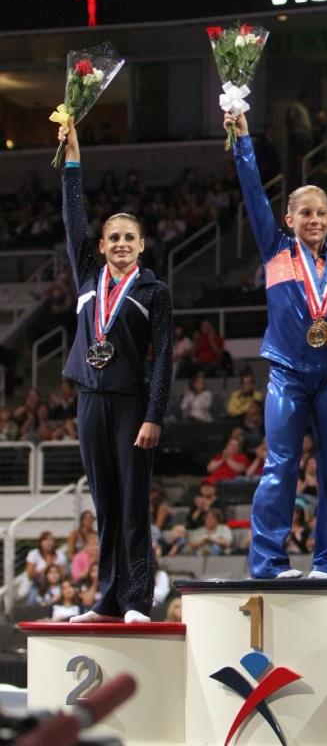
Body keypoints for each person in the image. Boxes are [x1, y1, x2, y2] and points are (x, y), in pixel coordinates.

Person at [225, 110, 327, 579]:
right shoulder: (275, 251)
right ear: (289, 218)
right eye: (304, 212)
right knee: (280, 465)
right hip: (286, 376)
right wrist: (243, 141)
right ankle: (268, 561)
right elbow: (253, 191)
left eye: (320, 212)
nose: (313, 219)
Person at [57, 120, 173, 624]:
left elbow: (166, 356)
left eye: (130, 237)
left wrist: (154, 415)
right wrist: (73, 158)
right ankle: (105, 599)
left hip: (130, 404)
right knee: (104, 503)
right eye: (113, 237)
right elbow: (72, 215)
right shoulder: (87, 276)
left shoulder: (154, 292)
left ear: (142, 245)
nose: (121, 243)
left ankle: (136, 600)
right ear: (100, 246)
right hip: (89, 400)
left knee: (132, 504)